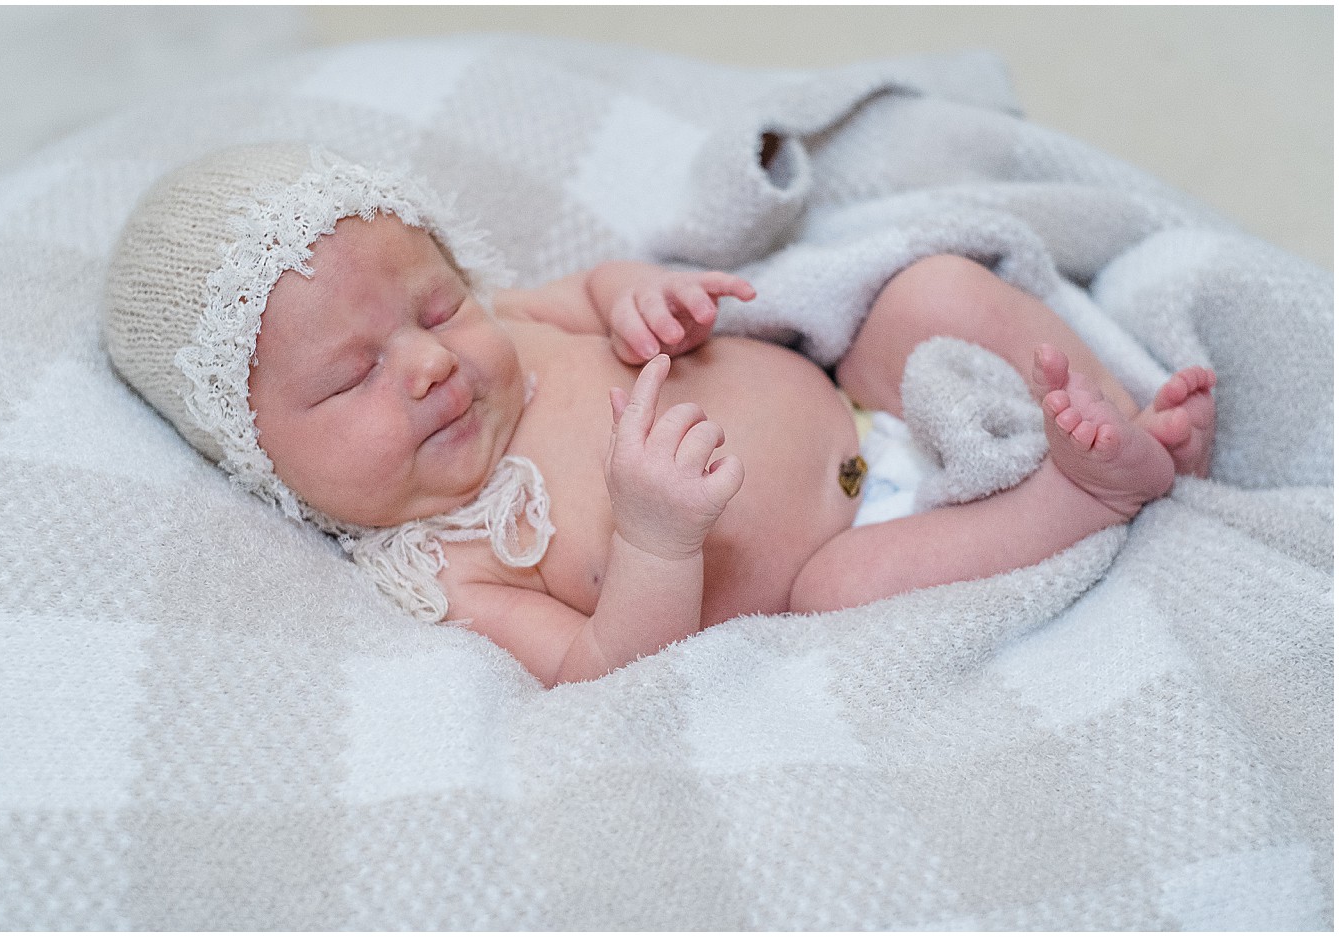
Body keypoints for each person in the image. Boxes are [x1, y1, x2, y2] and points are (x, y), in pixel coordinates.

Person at [104, 144, 1216, 687]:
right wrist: (650, 538)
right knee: (842, 590)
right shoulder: (442, 565)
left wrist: (644, 299)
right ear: (261, 459)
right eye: (350, 378)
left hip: (855, 391)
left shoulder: (512, 326)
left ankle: (1119, 409)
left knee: (922, 294)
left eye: (435, 304)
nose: (430, 363)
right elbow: (597, 669)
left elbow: (597, 288)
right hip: (856, 543)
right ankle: (1089, 488)